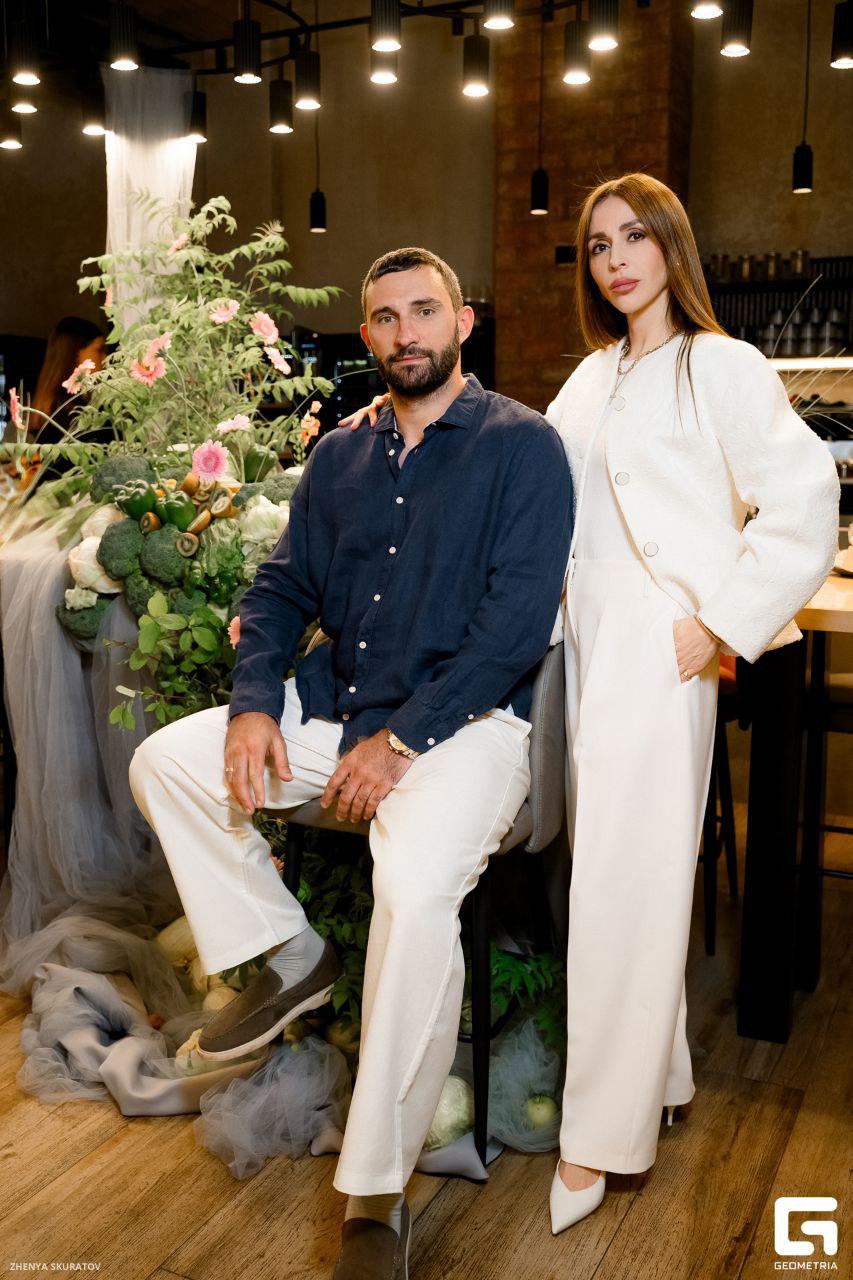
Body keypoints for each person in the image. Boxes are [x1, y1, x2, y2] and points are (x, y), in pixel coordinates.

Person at [341, 175, 840, 1239]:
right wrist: (393, 416)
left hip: (659, 648)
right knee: (607, 876)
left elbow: (803, 501)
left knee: (626, 883)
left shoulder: (722, 365)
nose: (616, 259)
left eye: (634, 237)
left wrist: (719, 622)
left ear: (671, 246)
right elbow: (508, 454)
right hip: (576, 646)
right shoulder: (590, 375)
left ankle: (601, 1139)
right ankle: (658, 1078)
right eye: (598, 244)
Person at [128, 247, 572, 1279]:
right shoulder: (338, 455)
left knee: (412, 890)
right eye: (385, 316)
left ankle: (375, 1190)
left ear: (462, 322)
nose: (405, 332)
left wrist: (403, 738)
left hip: (469, 727)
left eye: (425, 311)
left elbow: (514, 627)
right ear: (367, 333)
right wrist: (252, 704)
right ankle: (291, 957)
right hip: (345, 711)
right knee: (169, 759)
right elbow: (282, 588)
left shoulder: (523, 446)